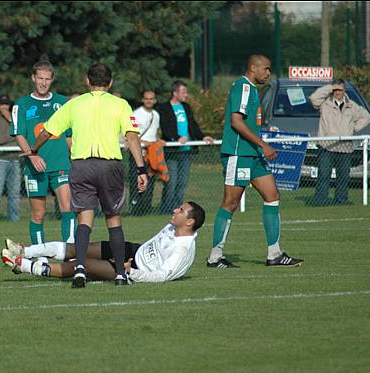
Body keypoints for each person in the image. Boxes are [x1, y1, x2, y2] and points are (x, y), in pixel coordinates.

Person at [23, 63, 148, 287]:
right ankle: (120, 273)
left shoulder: (75, 104)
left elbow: (47, 131)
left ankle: (80, 269)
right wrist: (141, 169)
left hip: (81, 166)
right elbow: (131, 138)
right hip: (110, 165)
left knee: (84, 218)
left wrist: (33, 150)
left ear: (87, 81)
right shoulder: (120, 104)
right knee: (113, 218)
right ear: (110, 83)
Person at [207, 55, 303, 269]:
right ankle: (215, 257)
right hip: (239, 153)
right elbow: (236, 122)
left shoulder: (253, 90)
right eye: (266, 69)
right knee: (230, 203)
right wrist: (263, 145)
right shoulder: (243, 88)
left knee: (272, 195)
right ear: (253, 68)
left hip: (253, 155)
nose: (269, 73)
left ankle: (274, 254)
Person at [1, 201, 205, 283]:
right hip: (133, 249)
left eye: (180, 210)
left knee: (83, 265)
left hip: (133, 268)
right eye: (178, 207)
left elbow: (163, 276)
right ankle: (24, 251)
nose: (175, 210)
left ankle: (24, 266)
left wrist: (130, 272)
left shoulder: (183, 250)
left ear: (189, 221)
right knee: (81, 248)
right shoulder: (173, 226)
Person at [10, 60, 74, 244]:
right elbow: (19, 135)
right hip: (35, 167)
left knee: (67, 207)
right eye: (40, 78)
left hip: (61, 165)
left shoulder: (63, 103)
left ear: (52, 79)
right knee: (39, 213)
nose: (43, 82)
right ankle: (40, 256)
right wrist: (32, 155)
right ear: (33, 78)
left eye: (47, 79)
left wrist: (77, 159)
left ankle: (70, 254)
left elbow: (69, 137)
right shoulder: (21, 104)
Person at [309, 79, 370, 206]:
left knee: (343, 177)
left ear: (344, 90)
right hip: (326, 146)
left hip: (345, 147)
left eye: (340, 90)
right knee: (324, 176)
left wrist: (355, 127)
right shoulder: (324, 104)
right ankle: (320, 202)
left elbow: (366, 116)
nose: (337, 92)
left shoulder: (352, 106)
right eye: (335, 90)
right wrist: (329, 88)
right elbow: (314, 98)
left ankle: (341, 201)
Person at [157, 80, 214, 214]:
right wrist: (176, 138)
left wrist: (202, 137)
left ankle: (177, 210)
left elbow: (193, 125)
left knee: (182, 183)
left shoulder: (186, 107)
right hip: (172, 151)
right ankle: (165, 209)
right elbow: (165, 127)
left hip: (186, 152)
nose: (186, 95)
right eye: (183, 92)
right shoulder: (164, 108)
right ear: (175, 93)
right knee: (171, 182)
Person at [0, 94, 21, 222]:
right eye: (2, 104)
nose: (5, 107)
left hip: (15, 158)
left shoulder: (14, 119)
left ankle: (14, 220)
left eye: (7, 104)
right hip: (0, 159)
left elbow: (22, 133)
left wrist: (11, 121)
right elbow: (0, 139)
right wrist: (15, 138)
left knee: (15, 194)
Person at [129, 90, 160, 215]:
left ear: (155, 100)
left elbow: (156, 132)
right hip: (139, 153)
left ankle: (147, 207)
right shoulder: (136, 114)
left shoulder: (156, 115)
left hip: (152, 154)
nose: (149, 101)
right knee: (136, 181)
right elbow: (131, 135)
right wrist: (144, 142)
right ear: (143, 100)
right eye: (146, 98)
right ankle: (136, 208)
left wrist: (157, 142)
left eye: (151, 99)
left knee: (150, 181)